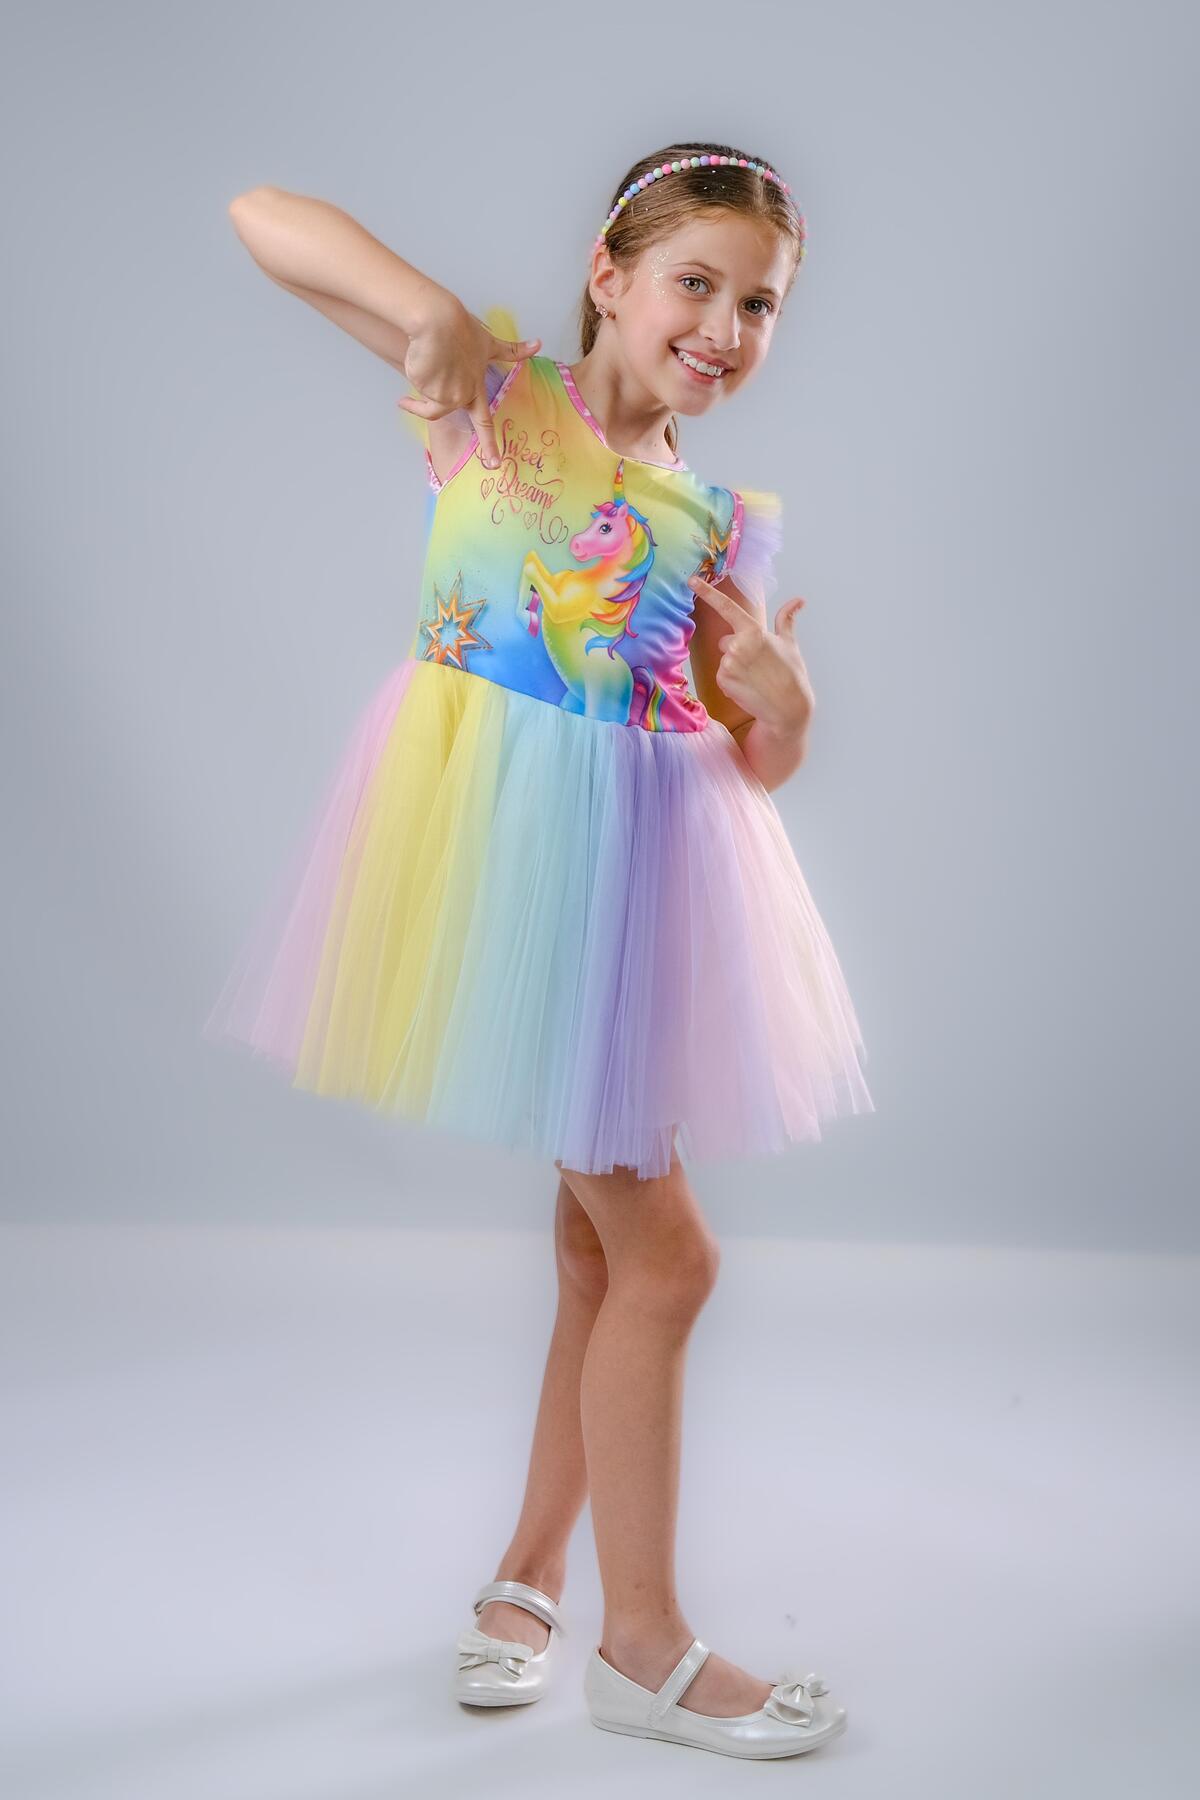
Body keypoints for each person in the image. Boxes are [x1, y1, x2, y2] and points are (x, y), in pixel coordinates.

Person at [203, 141, 874, 1761]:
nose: (723, 327)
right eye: (695, 283)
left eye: (760, 305)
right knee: (670, 1260)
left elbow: (737, 758)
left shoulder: (718, 524)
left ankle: (526, 1580)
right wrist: (422, 308)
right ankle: (638, 1649)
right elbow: (261, 216)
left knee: (598, 1256)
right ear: (608, 276)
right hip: (502, 872)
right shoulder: (497, 404)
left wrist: (785, 713)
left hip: (638, 895)